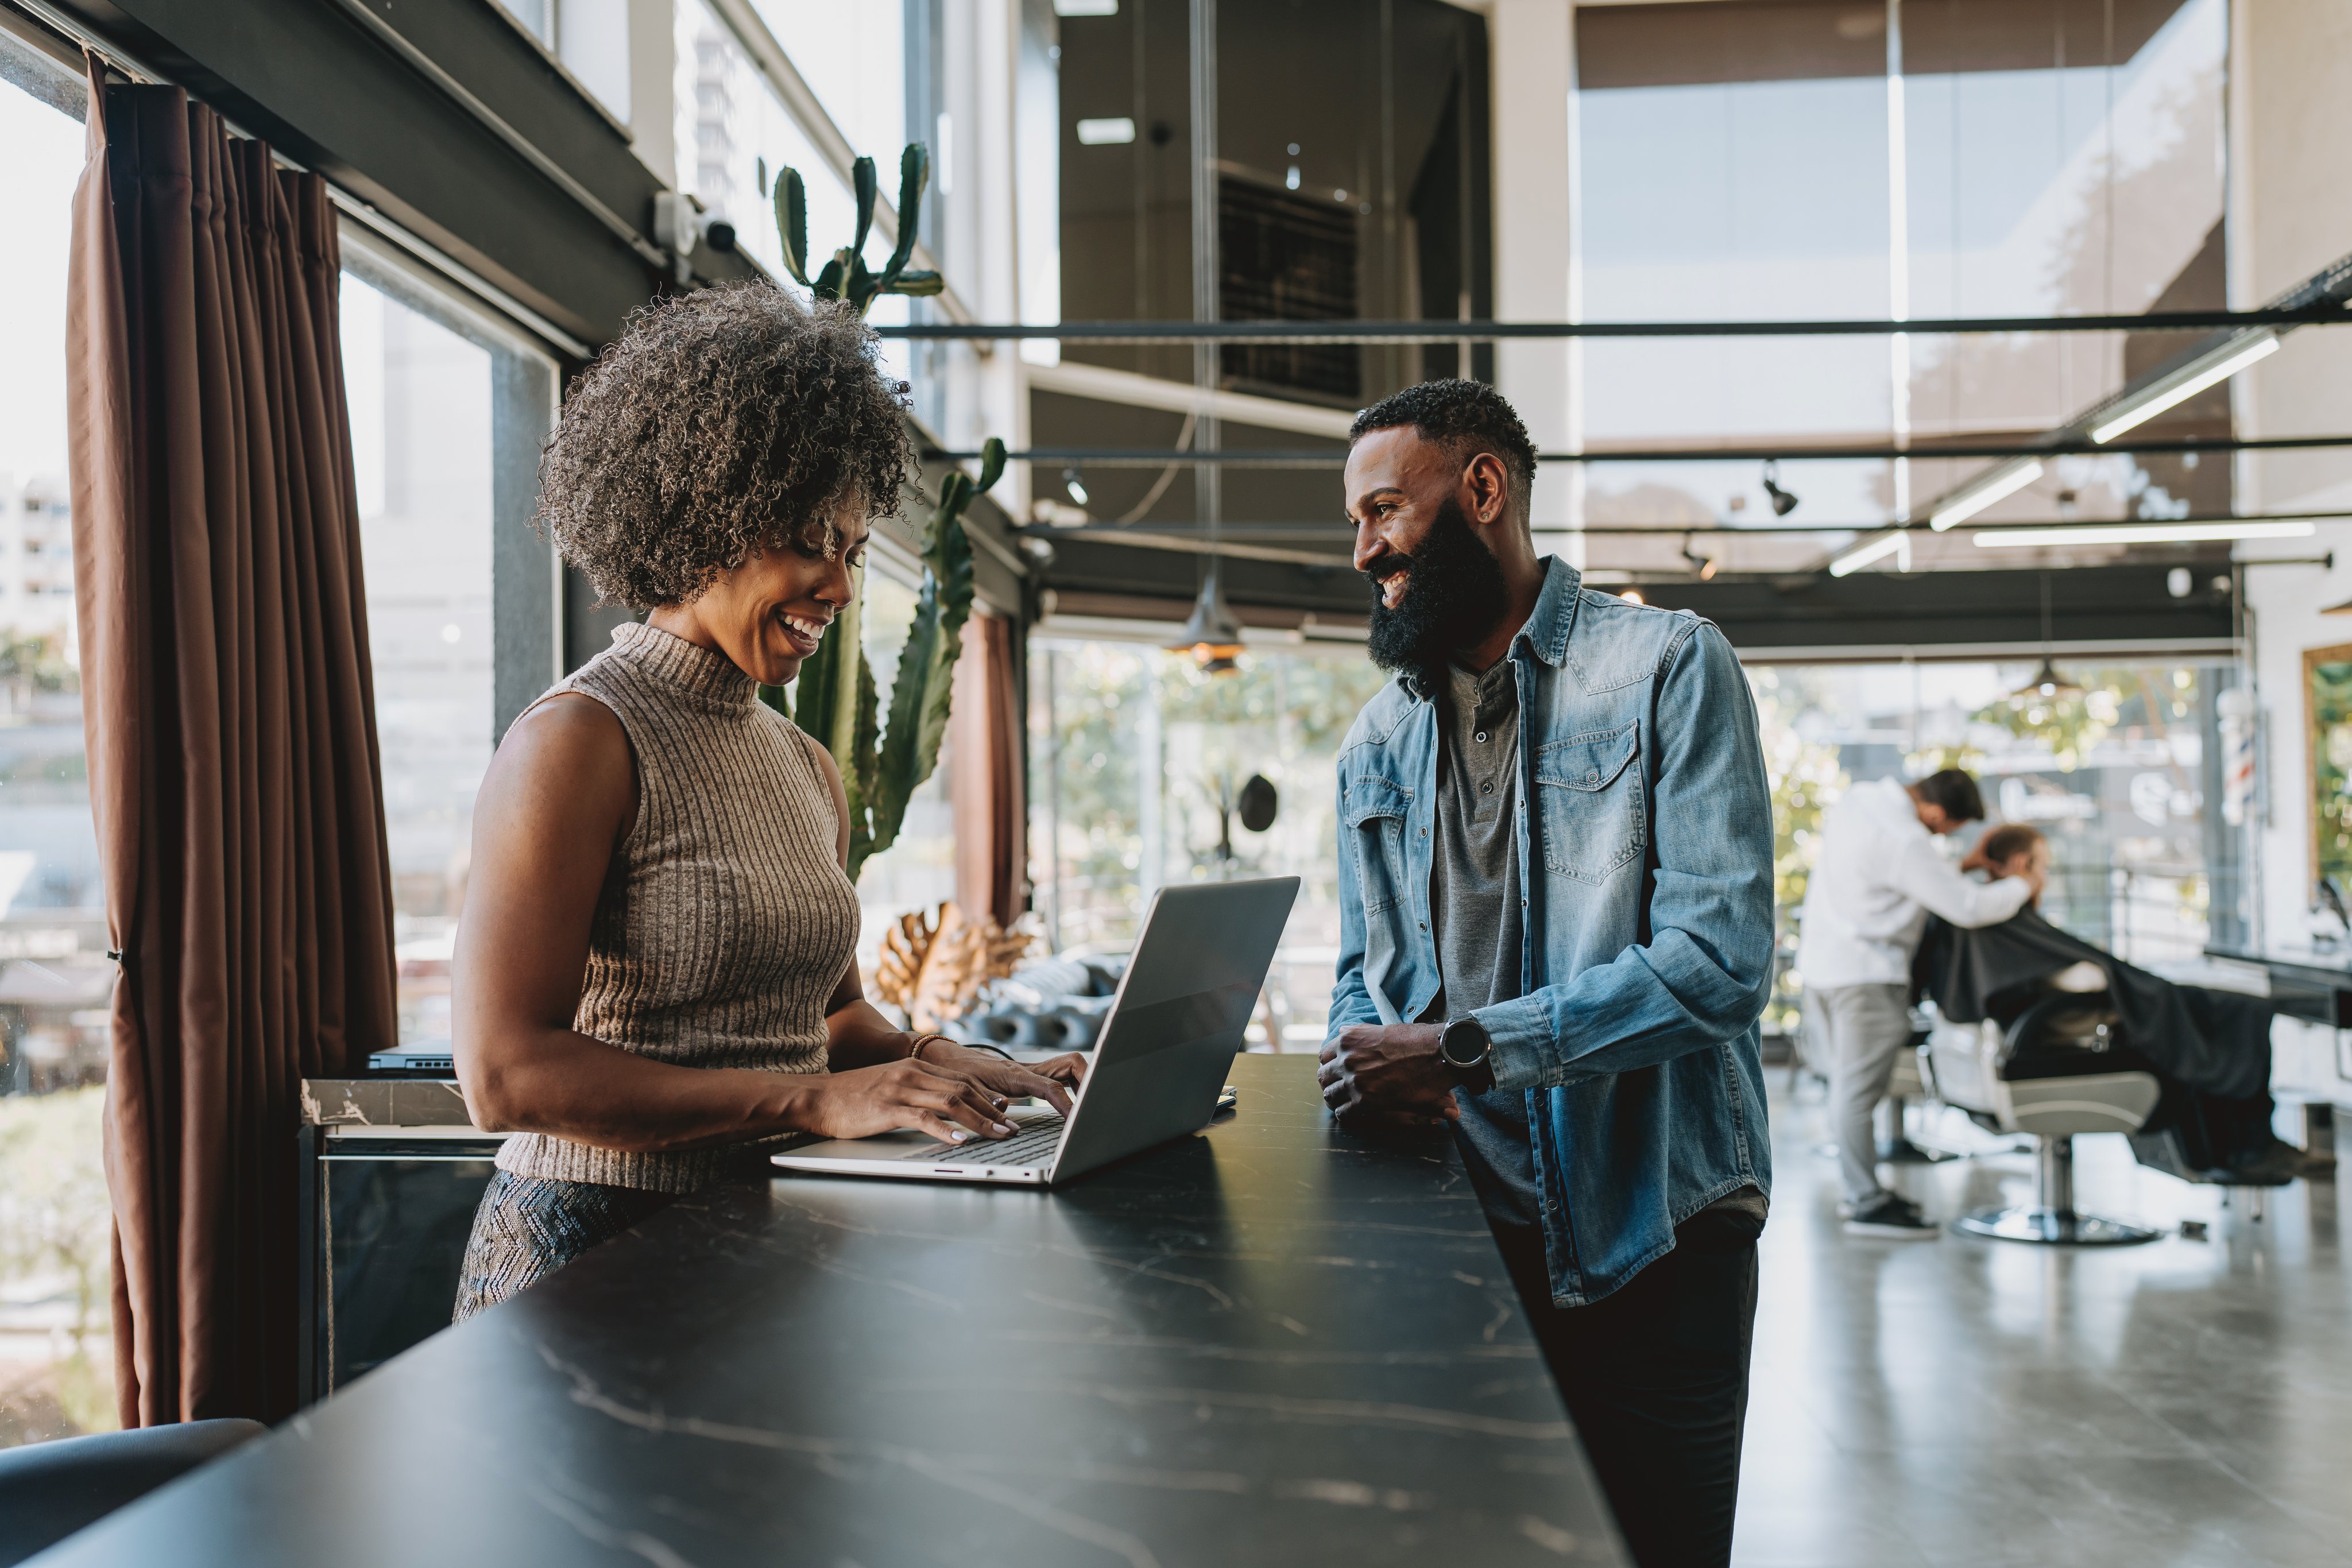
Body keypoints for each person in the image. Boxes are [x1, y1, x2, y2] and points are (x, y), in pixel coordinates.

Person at [448, 285, 1082, 1319]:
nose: (836, 587)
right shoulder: (576, 741)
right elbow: (506, 1075)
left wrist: (954, 1064)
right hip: (586, 1254)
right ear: (704, 516)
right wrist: (810, 1101)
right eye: (807, 541)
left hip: (773, 1232)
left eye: (851, 550)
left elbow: (828, 1018)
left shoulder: (803, 765)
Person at [1316, 380, 1774, 1568]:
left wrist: (1465, 1051)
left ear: (1482, 490)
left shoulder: (1670, 667)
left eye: (1381, 512)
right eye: (1354, 525)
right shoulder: (1376, 739)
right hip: (1457, 1238)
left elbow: (1717, 964)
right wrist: (1357, 1059)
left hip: (1651, 1237)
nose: (1363, 551)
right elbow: (1363, 974)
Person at [1919, 823, 2304, 1180]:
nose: (2046, 878)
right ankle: (2248, 1148)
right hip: (2053, 1037)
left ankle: (2245, 1147)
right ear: (2022, 865)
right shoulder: (1996, 915)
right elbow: (2091, 976)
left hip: (2038, 1032)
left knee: (2216, 1013)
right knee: (2232, 1014)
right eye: (2044, 867)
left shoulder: (1981, 917)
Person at [1796, 769, 2041, 1239]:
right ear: (1934, 813)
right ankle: (1866, 1203)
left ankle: (1863, 1193)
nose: (1940, 838)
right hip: (1866, 977)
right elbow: (1967, 907)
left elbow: (1897, 880)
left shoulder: (1860, 798)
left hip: (1823, 967)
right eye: (1945, 830)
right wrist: (2021, 886)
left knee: (1843, 1089)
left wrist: (1960, 866)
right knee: (1856, 1094)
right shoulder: (1907, 840)